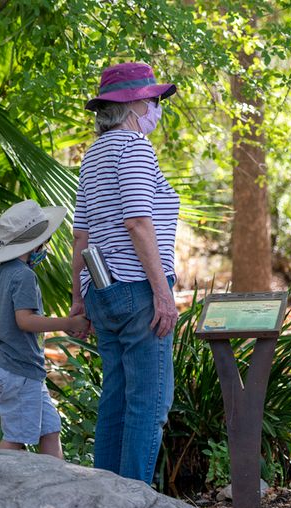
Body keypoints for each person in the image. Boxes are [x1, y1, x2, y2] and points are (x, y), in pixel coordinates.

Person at [70, 62, 180, 484]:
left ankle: (107, 502)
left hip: (101, 290)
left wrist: (80, 298)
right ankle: (135, 506)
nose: (156, 107)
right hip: (138, 289)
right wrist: (162, 293)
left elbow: (81, 235)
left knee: (115, 400)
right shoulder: (133, 148)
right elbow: (138, 222)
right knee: (149, 403)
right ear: (132, 105)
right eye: (152, 100)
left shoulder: (91, 157)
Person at [0, 200, 88, 457]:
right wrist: (68, 323)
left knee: (50, 429)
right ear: (36, 244)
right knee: (16, 438)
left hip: (22, 370)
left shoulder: (1, 275)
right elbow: (25, 321)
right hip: (18, 371)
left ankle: (58, 483)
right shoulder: (24, 275)